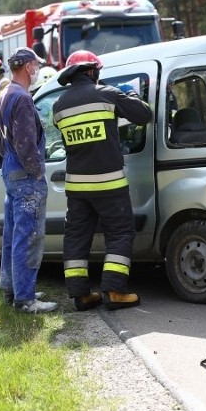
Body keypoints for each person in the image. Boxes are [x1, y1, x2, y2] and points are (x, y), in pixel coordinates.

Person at [52, 50, 152, 311]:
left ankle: (80, 295)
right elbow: (144, 115)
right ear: (92, 71)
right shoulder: (108, 94)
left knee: (76, 238)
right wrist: (127, 95)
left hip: (76, 187)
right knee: (120, 233)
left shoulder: (58, 106)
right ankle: (115, 290)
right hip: (109, 185)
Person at [0, 47, 58, 313]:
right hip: (25, 174)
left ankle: (13, 288)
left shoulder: (5, 94)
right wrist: (37, 171)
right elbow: (25, 143)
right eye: (36, 65)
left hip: (11, 170)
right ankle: (26, 299)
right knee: (28, 236)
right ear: (28, 66)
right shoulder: (22, 98)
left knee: (13, 235)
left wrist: (12, 164)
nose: (38, 70)